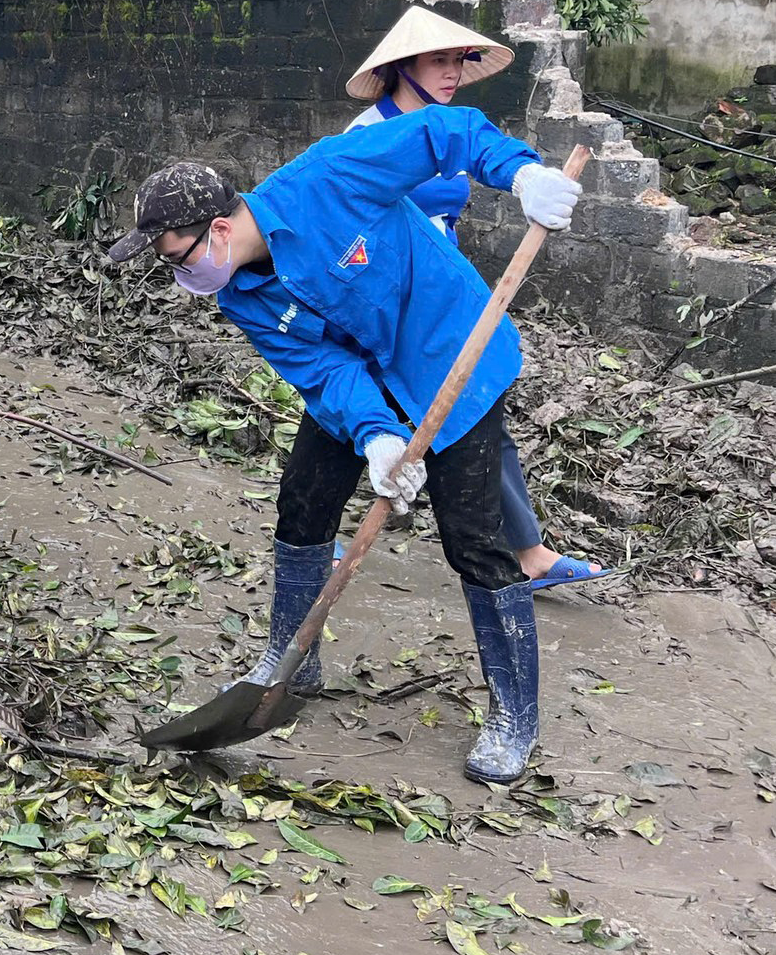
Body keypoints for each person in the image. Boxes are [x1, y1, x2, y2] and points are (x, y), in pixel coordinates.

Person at [105, 110, 584, 784]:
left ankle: (514, 716)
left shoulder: (329, 177)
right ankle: (291, 659)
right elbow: (322, 370)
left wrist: (521, 173)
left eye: (175, 258)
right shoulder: (241, 296)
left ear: (217, 230)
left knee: (473, 536)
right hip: (368, 380)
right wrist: (377, 435)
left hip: (452, 360)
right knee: (304, 498)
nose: (179, 276)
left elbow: (441, 134)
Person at [345, 6, 611, 593]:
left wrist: (528, 179)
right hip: (391, 299)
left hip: (442, 287)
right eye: (437, 60)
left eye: (458, 60)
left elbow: (482, 150)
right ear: (400, 68)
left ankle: (526, 550)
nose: (452, 72)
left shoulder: (448, 122)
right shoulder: (366, 138)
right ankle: (319, 538)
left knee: (471, 409)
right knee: (359, 417)